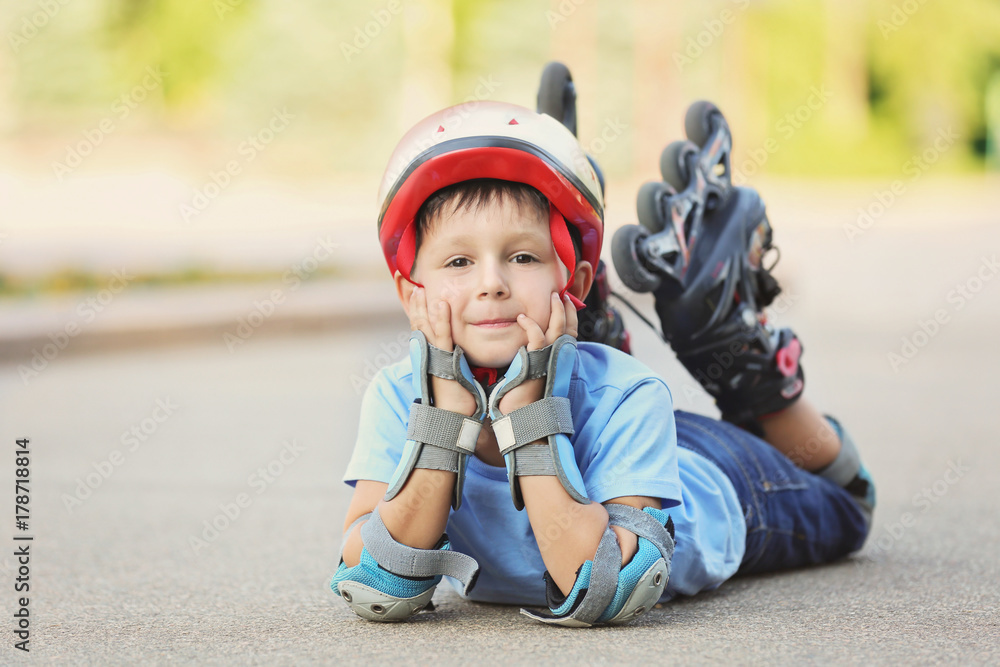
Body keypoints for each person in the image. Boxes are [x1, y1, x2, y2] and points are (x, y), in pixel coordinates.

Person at [330, 98, 875, 627]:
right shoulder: (398, 395)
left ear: (573, 281)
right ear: (411, 293)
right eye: (458, 261)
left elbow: (604, 584)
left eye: (523, 257)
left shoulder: (634, 395)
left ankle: (745, 367)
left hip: (718, 477)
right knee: (603, 398)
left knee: (851, 505)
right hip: (615, 440)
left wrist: (532, 418)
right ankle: (599, 336)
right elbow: (376, 582)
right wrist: (444, 422)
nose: (491, 283)